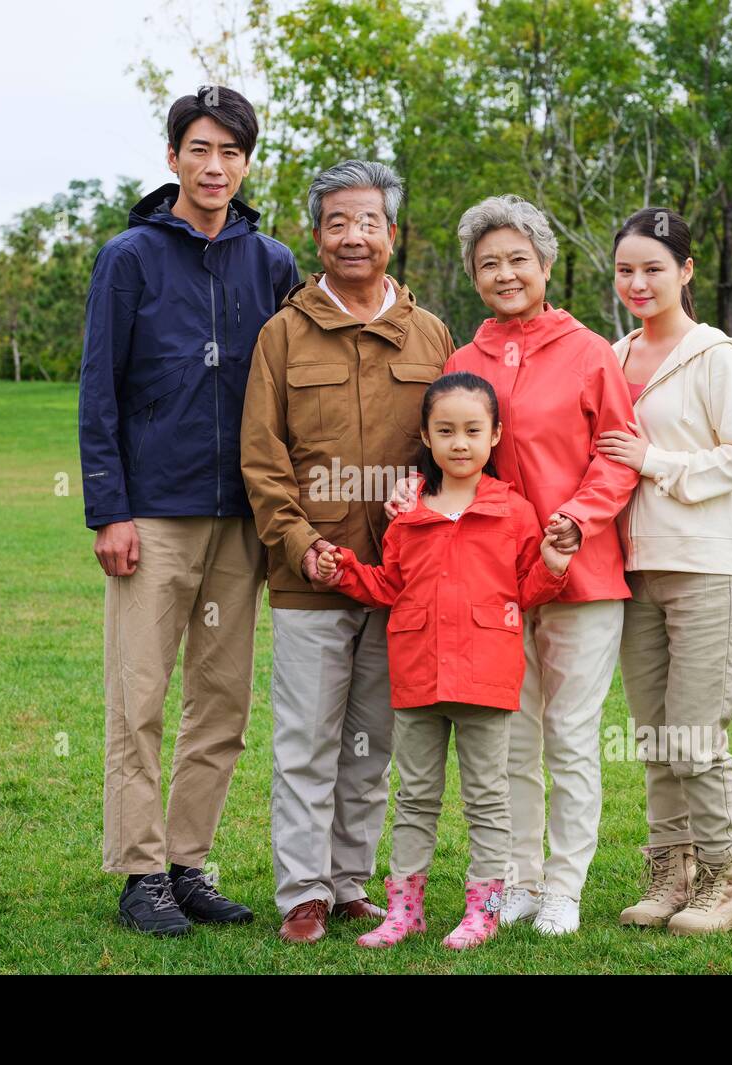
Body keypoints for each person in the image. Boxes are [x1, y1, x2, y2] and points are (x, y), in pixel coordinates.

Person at [78, 86, 299, 936]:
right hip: (154, 516)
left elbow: (287, 388)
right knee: (138, 696)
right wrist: (110, 509)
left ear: (246, 162)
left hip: (242, 519)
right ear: (173, 156)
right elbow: (99, 391)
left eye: (231, 153)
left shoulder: (270, 261)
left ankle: (186, 862)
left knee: (222, 700)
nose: (215, 166)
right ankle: (138, 874)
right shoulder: (128, 257)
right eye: (199, 149)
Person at [387, 195, 638, 934]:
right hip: (490, 587)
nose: (504, 273)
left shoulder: (590, 351)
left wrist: (577, 520)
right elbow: (446, 446)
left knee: (570, 733)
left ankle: (564, 884)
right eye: (488, 262)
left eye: (517, 259)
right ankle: (519, 879)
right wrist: (414, 487)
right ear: (473, 274)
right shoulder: (465, 359)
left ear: (546, 264)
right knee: (513, 740)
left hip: (578, 575)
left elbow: (616, 458)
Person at [241, 160, 455, 944]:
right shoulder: (283, 335)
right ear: (318, 235)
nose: (354, 236)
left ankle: (347, 882)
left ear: (392, 234)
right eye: (338, 222)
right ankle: (301, 891)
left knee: (372, 741)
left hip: (398, 581)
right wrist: (300, 546)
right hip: (313, 580)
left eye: (369, 222)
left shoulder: (430, 333)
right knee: (306, 739)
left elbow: (456, 448)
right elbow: (262, 461)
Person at [317, 372, 572, 950]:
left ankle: (483, 908)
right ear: (427, 438)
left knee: (487, 797)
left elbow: (527, 590)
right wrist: (347, 572)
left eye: (473, 431)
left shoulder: (513, 511)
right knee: (415, 797)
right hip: (417, 677)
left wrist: (555, 561)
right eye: (446, 431)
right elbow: (390, 587)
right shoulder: (408, 513)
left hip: (486, 678)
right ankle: (406, 911)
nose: (460, 443)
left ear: (495, 435)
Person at [596, 206, 732, 935]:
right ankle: (671, 873)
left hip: (705, 568)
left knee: (695, 734)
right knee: (657, 738)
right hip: (631, 571)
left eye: (654, 268)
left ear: (686, 271)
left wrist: (656, 462)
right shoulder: (614, 353)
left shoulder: (713, 354)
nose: (638, 282)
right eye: (626, 269)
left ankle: (723, 885)